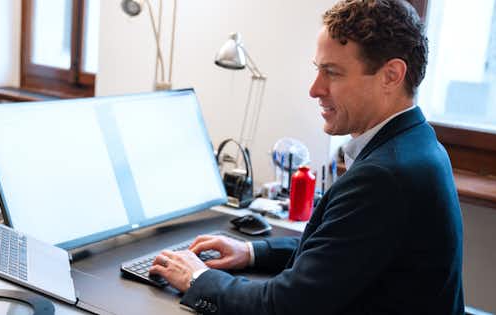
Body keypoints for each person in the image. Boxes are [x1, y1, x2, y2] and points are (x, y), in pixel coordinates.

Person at [149, 0, 464, 314]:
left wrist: (197, 277)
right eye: (318, 70)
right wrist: (250, 251)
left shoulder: (384, 176)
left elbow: (282, 306)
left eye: (332, 73)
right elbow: (337, 251)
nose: (315, 89)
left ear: (391, 75)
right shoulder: (417, 143)